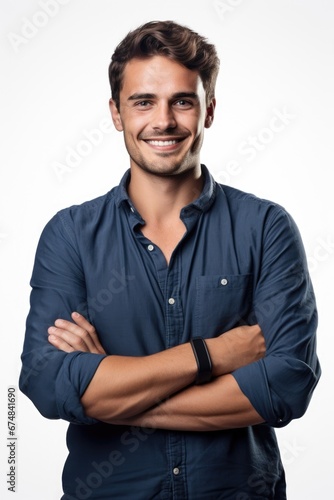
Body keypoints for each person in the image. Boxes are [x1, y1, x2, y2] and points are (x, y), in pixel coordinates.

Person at [19, 20, 321, 500]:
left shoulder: (265, 227)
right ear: (116, 113)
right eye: (143, 102)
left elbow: (286, 384)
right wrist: (213, 355)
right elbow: (47, 381)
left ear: (209, 111)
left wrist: (111, 394)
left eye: (183, 101)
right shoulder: (70, 235)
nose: (164, 121)